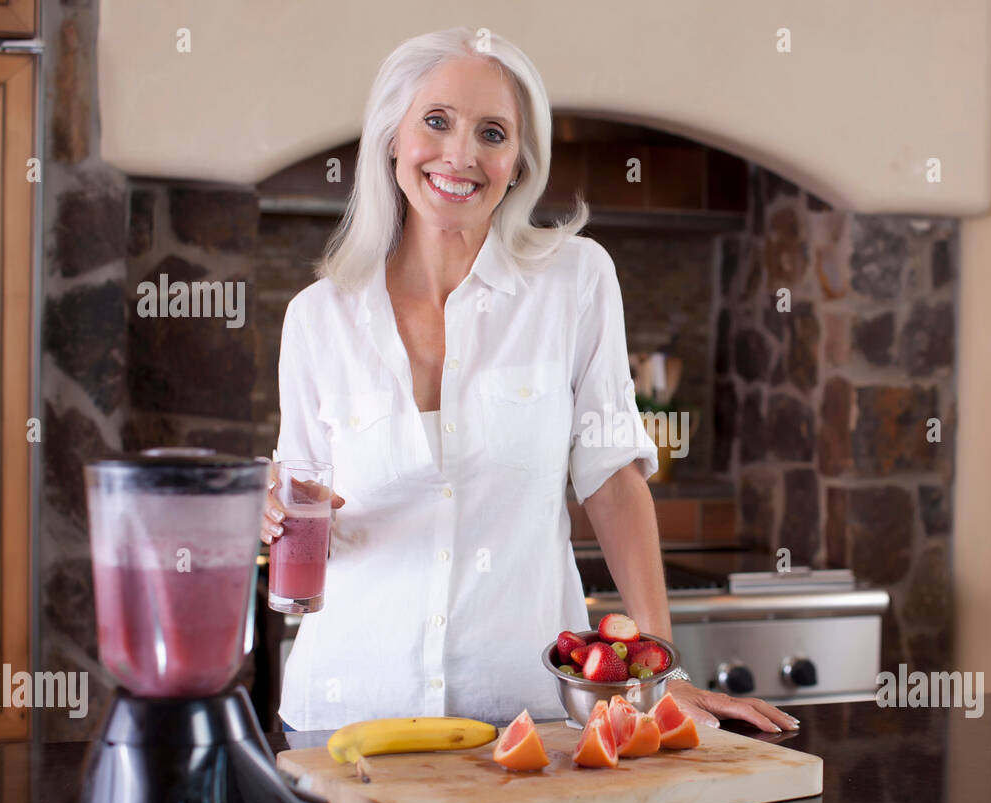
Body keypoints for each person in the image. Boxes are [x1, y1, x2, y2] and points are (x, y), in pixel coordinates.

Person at [264, 27, 797, 736]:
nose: (461, 155)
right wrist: (272, 512)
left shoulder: (575, 283)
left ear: (517, 163)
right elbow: (303, 513)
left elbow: (612, 478)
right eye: (436, 121)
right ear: (393, 137)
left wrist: (659, 673)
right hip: (344, 716)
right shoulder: (316, 319)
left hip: (529, 715)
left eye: (493, 132)